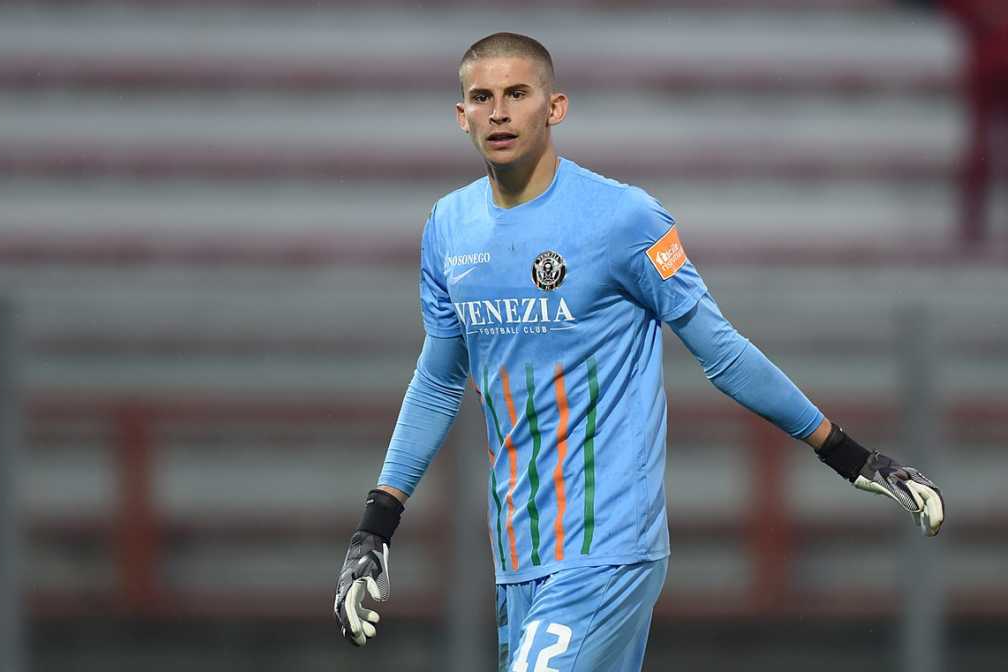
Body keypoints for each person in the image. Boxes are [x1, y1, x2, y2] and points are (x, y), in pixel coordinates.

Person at [333, 32, 945, 672]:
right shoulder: (447, 228)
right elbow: (438, 381)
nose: (500, 112)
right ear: (462, 117)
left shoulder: (624, 219)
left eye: (518, 94)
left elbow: (722, 351)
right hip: (518, 556)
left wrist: (845, 453)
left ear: (555, 106)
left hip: (608, 547)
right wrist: (375, 527)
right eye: (482, 98)